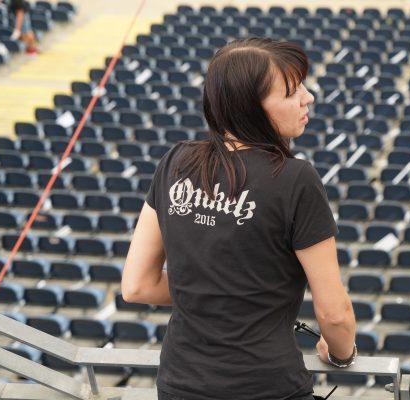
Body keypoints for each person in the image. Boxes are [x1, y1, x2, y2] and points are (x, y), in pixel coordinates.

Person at [121, 37, 356, 400]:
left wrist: (222, 293)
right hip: (266, 387)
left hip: (180, 385)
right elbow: (335, 313)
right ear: (252, 108)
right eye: (292, 91)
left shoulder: (174, 162)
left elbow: (138, 285)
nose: (308, 97)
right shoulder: (297, 179)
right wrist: (342, 356)